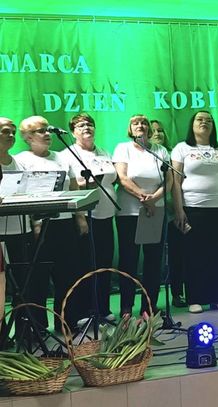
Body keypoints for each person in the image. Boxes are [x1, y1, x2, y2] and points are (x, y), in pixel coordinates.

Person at [16, 116, 88, 331]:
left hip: (64, 223)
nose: (47, 134)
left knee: (68, 274)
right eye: (41, 131)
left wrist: (80, 217)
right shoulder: (21, 160)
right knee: (39, 277)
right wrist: (35, 222)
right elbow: (20, 193)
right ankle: (38, 326)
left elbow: (74, 187)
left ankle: (66, 321)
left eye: (47, 129)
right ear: (28, 137)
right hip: (38, 225)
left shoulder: (62, 158)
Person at [171, 110, 218, 313]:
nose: (204, 123)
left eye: (209, 120)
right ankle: (196, 298)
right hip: (192, 208)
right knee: (195, 255)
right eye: (200, 119)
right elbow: (175, 181)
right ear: (192, 124)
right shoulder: (182, 148)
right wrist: (178, 209)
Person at [60, 113, 118, 321]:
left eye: (90, 124)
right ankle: (86, 311)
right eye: (81, 125)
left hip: (106, 215)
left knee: (105, 263)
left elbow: (112, 178)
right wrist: (80, 215)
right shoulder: (67, 154)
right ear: (73, 131)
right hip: (85, 216)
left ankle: (103, 308)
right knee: (86, 265)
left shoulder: (103, 151)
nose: (87, 128)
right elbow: (68, 185)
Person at [113, 114, 171, 317]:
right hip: (129, 211)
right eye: (136, 123)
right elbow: (122, 178)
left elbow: (169, 180)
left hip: (155, 210)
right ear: (130, 129)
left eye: (144, 123)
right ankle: (126, 307)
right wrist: (143, 198)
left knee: (153, 260)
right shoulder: (123, 148)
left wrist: (154, 199)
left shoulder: (160, 150)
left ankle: (149, 306)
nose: (141, 125)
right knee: (129, 259)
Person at [0, 117, 33, 339]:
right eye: (5, 131)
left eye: (13, 132)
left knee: (23, 284)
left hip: (20, 229)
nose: (10, 136)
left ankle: (23, 331)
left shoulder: (19, 163)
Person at [150, 119, 186, 308]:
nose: (157, 134)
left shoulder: (174, 154)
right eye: (154, 130)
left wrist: (177, 206)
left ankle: (178, 293)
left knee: (178, 255)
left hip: (176, 213)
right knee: (155, 258)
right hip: (153, 210)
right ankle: (152, 300)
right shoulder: (146, 155)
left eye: (161, 130)